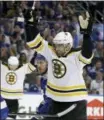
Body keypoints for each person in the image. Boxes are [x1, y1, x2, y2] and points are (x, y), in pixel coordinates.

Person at [25, 4, 94, 120]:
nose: (58, 49)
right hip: (55, 101)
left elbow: (87, 54)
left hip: (75, 103)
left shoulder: (76, 55)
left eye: (62, 46)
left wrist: (86, 35)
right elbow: (33, 41)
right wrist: (30, 25)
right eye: (57, 45)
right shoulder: (51, 51)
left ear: (69, 45)